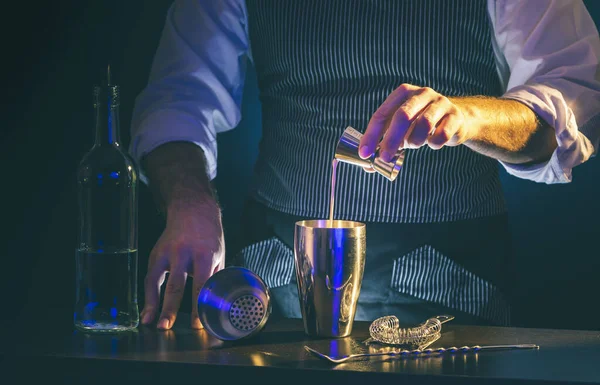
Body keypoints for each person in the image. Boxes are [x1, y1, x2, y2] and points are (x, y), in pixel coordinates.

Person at [130, 0, 600, 330]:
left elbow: (567, 107)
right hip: (275, 289)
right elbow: (178, 97)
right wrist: (189, 201)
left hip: (454, 295)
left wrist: (470, 116)